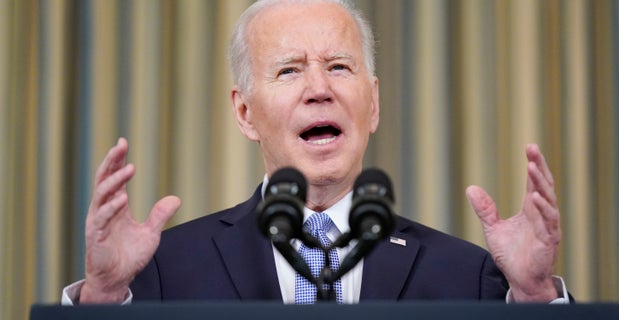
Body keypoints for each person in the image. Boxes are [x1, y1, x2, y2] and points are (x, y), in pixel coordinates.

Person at [63, 0, 568, 304]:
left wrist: (536, 299)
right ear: (244, 113)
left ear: (372, 104)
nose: (319, 89)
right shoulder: (162, 271)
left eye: (339, 67)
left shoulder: (469, 274)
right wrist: (101, 298)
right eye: (289, 70)